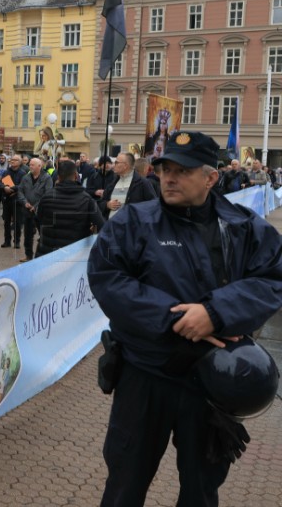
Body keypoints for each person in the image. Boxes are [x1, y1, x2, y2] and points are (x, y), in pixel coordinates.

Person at [88, 131, 282, 506]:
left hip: (212, 385)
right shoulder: (133, 222)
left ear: (210, 178)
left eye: (182, 171)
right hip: (145, 375)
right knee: (124, 485)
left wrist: (215, 312)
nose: (169, 179)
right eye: (164, 170)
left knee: (201, 490)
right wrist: (172, 317)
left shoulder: (243, 227)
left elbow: (272, 278)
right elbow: (107, 278)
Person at [35, 160, 103, 256]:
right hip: (74, 254)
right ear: (76, 176)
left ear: (58, 177)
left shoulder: (46, 197)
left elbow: (38, 219)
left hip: (47, 253)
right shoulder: (87, 199)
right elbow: (101, 225)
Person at [99, 152, 158, 219]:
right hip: (111, 227)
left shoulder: (143, 183)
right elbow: (100, 203)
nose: (113, 165)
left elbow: (153, 206)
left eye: (116, 163)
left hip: (131, 228)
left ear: (125, 166)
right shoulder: (113, 183)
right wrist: (107, 204)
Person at [17, 157, 52, 262]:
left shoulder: (47, 178)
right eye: (30, 164)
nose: (30, 166)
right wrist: (25, 202)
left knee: (43, 235)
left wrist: (36, 206)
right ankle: (28, 255)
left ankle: (44, 256)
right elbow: (20, 191)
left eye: (32, 165)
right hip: (27, 211)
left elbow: (47, 194)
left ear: (39, 166)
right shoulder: (25, 178)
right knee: (27, 236)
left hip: (41, 213)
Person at [0, 155, 27, 248]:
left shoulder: (23, 173)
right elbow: (0, 183)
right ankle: (7, 241)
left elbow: (23, 186)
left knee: (17, 222)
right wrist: (4, 187)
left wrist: (12, 188)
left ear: (19, 162)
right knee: (6, 221)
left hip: (17, 200)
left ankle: (17, 241)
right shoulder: (6, 172)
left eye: (15, 160)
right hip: (7, 200)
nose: (12, 161)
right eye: (12, 160)